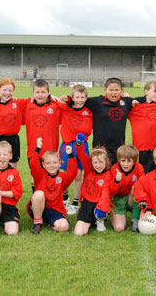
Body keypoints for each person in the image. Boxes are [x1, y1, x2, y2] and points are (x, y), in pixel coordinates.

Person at [28, 137, 78, 234]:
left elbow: (73, 172)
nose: (51, 165)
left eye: (54, 162)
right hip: (38, 205)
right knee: (38, 194)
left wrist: (70, 155)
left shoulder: (62, 177)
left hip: (55, 209)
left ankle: (48, 221)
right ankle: (37, 222)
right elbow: (33, 164)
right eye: (48, 163)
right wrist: (38, 147)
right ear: (43, 164)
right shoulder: (40, 174)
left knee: (64, 227)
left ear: (60, 163)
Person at [57, 84, 93, 215]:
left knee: (78, 175)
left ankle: (75, 203)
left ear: (86, 97)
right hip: (67, 145)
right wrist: (65, 98)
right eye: (77, 97)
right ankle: (65, 199)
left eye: (82, 97)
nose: (79, 100)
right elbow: (54, 101)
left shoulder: (89, 111)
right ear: (72, 97)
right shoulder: (66, 108)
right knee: (66, 173)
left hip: (81, 145)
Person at [84, 77, 135, 164]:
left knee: (116, 175)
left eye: (116, 90)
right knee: (101, 174)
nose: (114, 92)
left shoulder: (126, 102)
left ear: (121, 91)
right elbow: (77, 101)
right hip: (100, 147)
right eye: (111, 90)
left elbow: (144, 100)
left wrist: (131, 98)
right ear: (105, 90)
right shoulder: (97, 102)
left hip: (119, 148)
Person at [23, 79, 62, 192]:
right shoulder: (27, 106)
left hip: (50, 150)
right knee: (36, 177)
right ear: (33, 93)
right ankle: (36, 201)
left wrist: (57, 100)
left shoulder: (56, 106)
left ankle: (50, 202)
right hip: (33, 150)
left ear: (48, 93)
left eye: (43, 92)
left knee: (50, 177)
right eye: (37, 92)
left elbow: (69, 111)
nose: (40, 95)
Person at [0, 77, 29, 168]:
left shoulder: (18, 103)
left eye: (10, 90)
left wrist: (49, 97)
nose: (7, 93)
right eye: (4, 90)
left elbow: (34, 100)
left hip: (14, 139)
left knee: (12, 166)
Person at [74, 137, 112, 236]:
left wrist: (102, 208)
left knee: (100, 212)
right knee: (79, 233)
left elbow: (105, 194)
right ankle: (90, 222)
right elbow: (82, 155)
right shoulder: (88, 170)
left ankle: (99, 220)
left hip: (98, 204)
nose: (98, 165)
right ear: (91, 163)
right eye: (95, 162)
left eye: (101, 162)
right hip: (87, 204)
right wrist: (79, 144)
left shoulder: (108, 175)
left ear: (106, 162)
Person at [128, 81, 156, 173]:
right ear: (146, 91)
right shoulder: (135, 106)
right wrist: (129, 99)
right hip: (142, 149)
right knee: (143, 176)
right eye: (155, 91)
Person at [109, 145, 145, 232]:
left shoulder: (139, 167)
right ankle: (114, 214)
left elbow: (143, 188)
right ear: (118, 160)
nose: (125, 164)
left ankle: (135, 219)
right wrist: (116, 181)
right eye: (123, 161)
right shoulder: (114, 169)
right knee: (119, 228)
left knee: (137, 186)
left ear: (134, 161)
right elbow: (111, 191)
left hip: (132, 198)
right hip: (118, 200)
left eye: (129, 161)